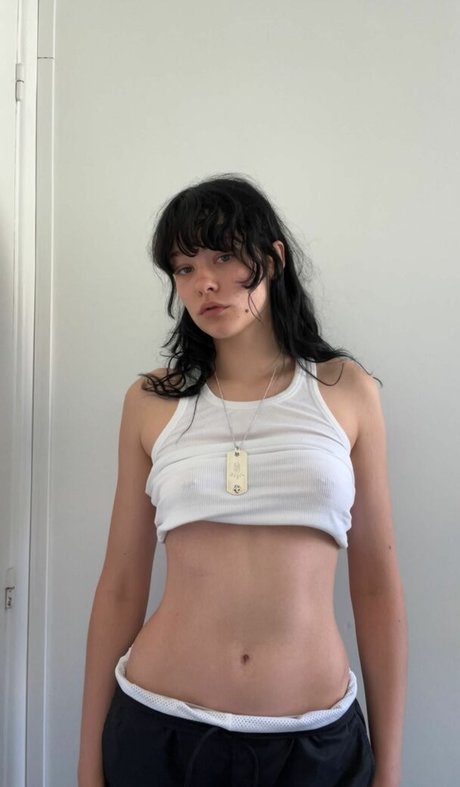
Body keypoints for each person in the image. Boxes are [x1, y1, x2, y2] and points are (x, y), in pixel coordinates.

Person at [78, 174, 407, 787]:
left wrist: (389, 770)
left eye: (223, 257)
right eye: (184, 268)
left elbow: (377, 588)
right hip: (160, 731)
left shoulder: (346, 390)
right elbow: (121, 586)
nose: (203, 282)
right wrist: (87, 764)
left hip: (313, 744)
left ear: (272, 259)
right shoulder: (151, 401)